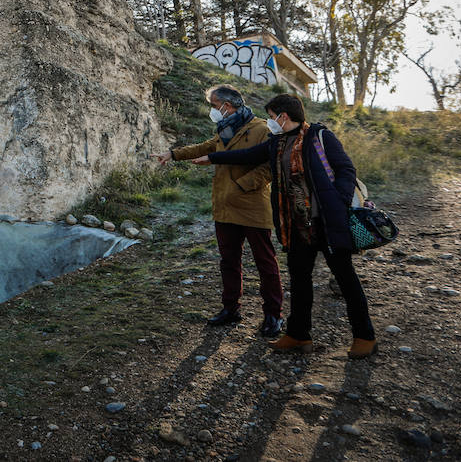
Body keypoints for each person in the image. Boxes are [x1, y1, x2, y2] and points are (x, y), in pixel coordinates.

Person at [193, 93, 377, 359]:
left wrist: (337, 202)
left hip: (327, 223)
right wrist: (212, 158)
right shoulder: (277, 142)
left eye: (271, 116)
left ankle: (364, 337)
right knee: (300, 281)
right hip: (296, 225)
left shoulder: (319, 136)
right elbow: (248, 155)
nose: (269, 121)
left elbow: (346, 170)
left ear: (284, 116)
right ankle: (298, 335)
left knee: (345, 279)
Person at [156, 85, 283, 338]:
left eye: (214, 106)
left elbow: (271, 165)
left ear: (227, 105)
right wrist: (172, 154)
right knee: (228, 261)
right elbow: (207, 147)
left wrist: (242, 185)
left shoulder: (261, 129)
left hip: (252, 206)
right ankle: (230, 308)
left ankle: (273, 314)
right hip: (225, 206)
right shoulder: (225, 128)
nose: (213, 110)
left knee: (265, 262)